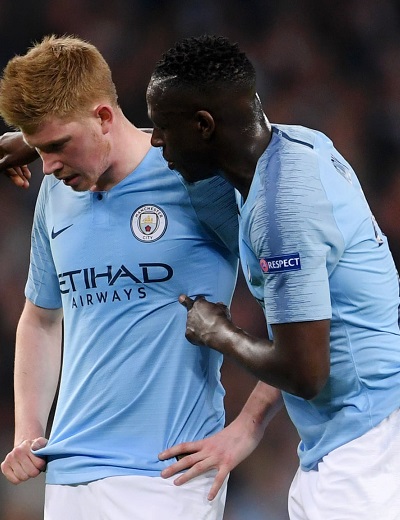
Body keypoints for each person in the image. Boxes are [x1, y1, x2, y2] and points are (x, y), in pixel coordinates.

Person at [0, 34, 282, 520]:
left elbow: (301, 304)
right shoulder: (56, 192)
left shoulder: (196, 177)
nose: (47, 166)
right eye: (38, 149)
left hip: (168, 478)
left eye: (57, 146)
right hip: (67, 476)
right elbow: (41, 318)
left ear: (103, 117)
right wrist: (29, 431)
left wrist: (247, 429)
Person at [145, 35, 400, 520]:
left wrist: (219, 333)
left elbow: (304, 371)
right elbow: (308, 326)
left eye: (161, 127)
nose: (155, 141)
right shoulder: (298, 145)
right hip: (357, 438)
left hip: (368, 457)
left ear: (204, 126)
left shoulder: (282, 214)